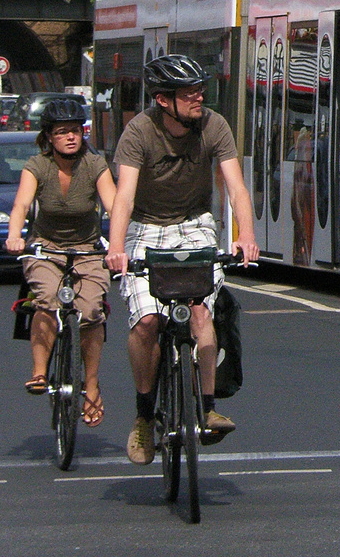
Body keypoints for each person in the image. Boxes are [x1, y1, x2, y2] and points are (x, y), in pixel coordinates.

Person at [104, 54, 259, 465]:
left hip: (194, 224)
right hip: (145, 227)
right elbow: (124, 197)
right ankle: (142, 417)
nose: (199, 98)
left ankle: (207, 407)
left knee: (200, 314)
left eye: (200, 90)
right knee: (147, 322)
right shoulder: (139, 131)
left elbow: (236, 187)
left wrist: (246, 236)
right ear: (163, 100)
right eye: (189, 93)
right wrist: (116, 248)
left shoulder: (214, 125)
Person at [4, 98, 116, 426]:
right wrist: (15, 236)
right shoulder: (36, 166)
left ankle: (91, 385)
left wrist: (120, 243)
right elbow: (21, 206)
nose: (70, 137)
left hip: (87, 249)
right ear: (49, 137)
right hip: (47, 248)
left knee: (92, 309)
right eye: (62, 132)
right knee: (47, 299)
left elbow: (112, 203)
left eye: (76, 131)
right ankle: (40, 373)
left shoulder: (95, 165)